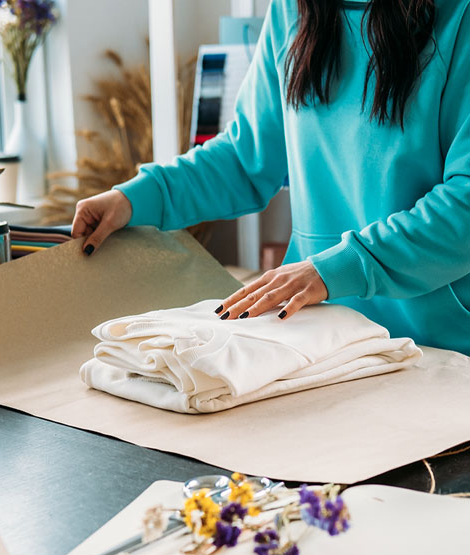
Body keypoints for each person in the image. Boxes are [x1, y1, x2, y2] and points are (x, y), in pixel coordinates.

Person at [72, 0, 470, 354]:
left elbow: (465, 205)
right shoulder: (293, 11)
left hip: (438, 347)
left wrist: (337, 269)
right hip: (315, 340)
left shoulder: (461, 17)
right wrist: (135, 198)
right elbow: (245, 158)